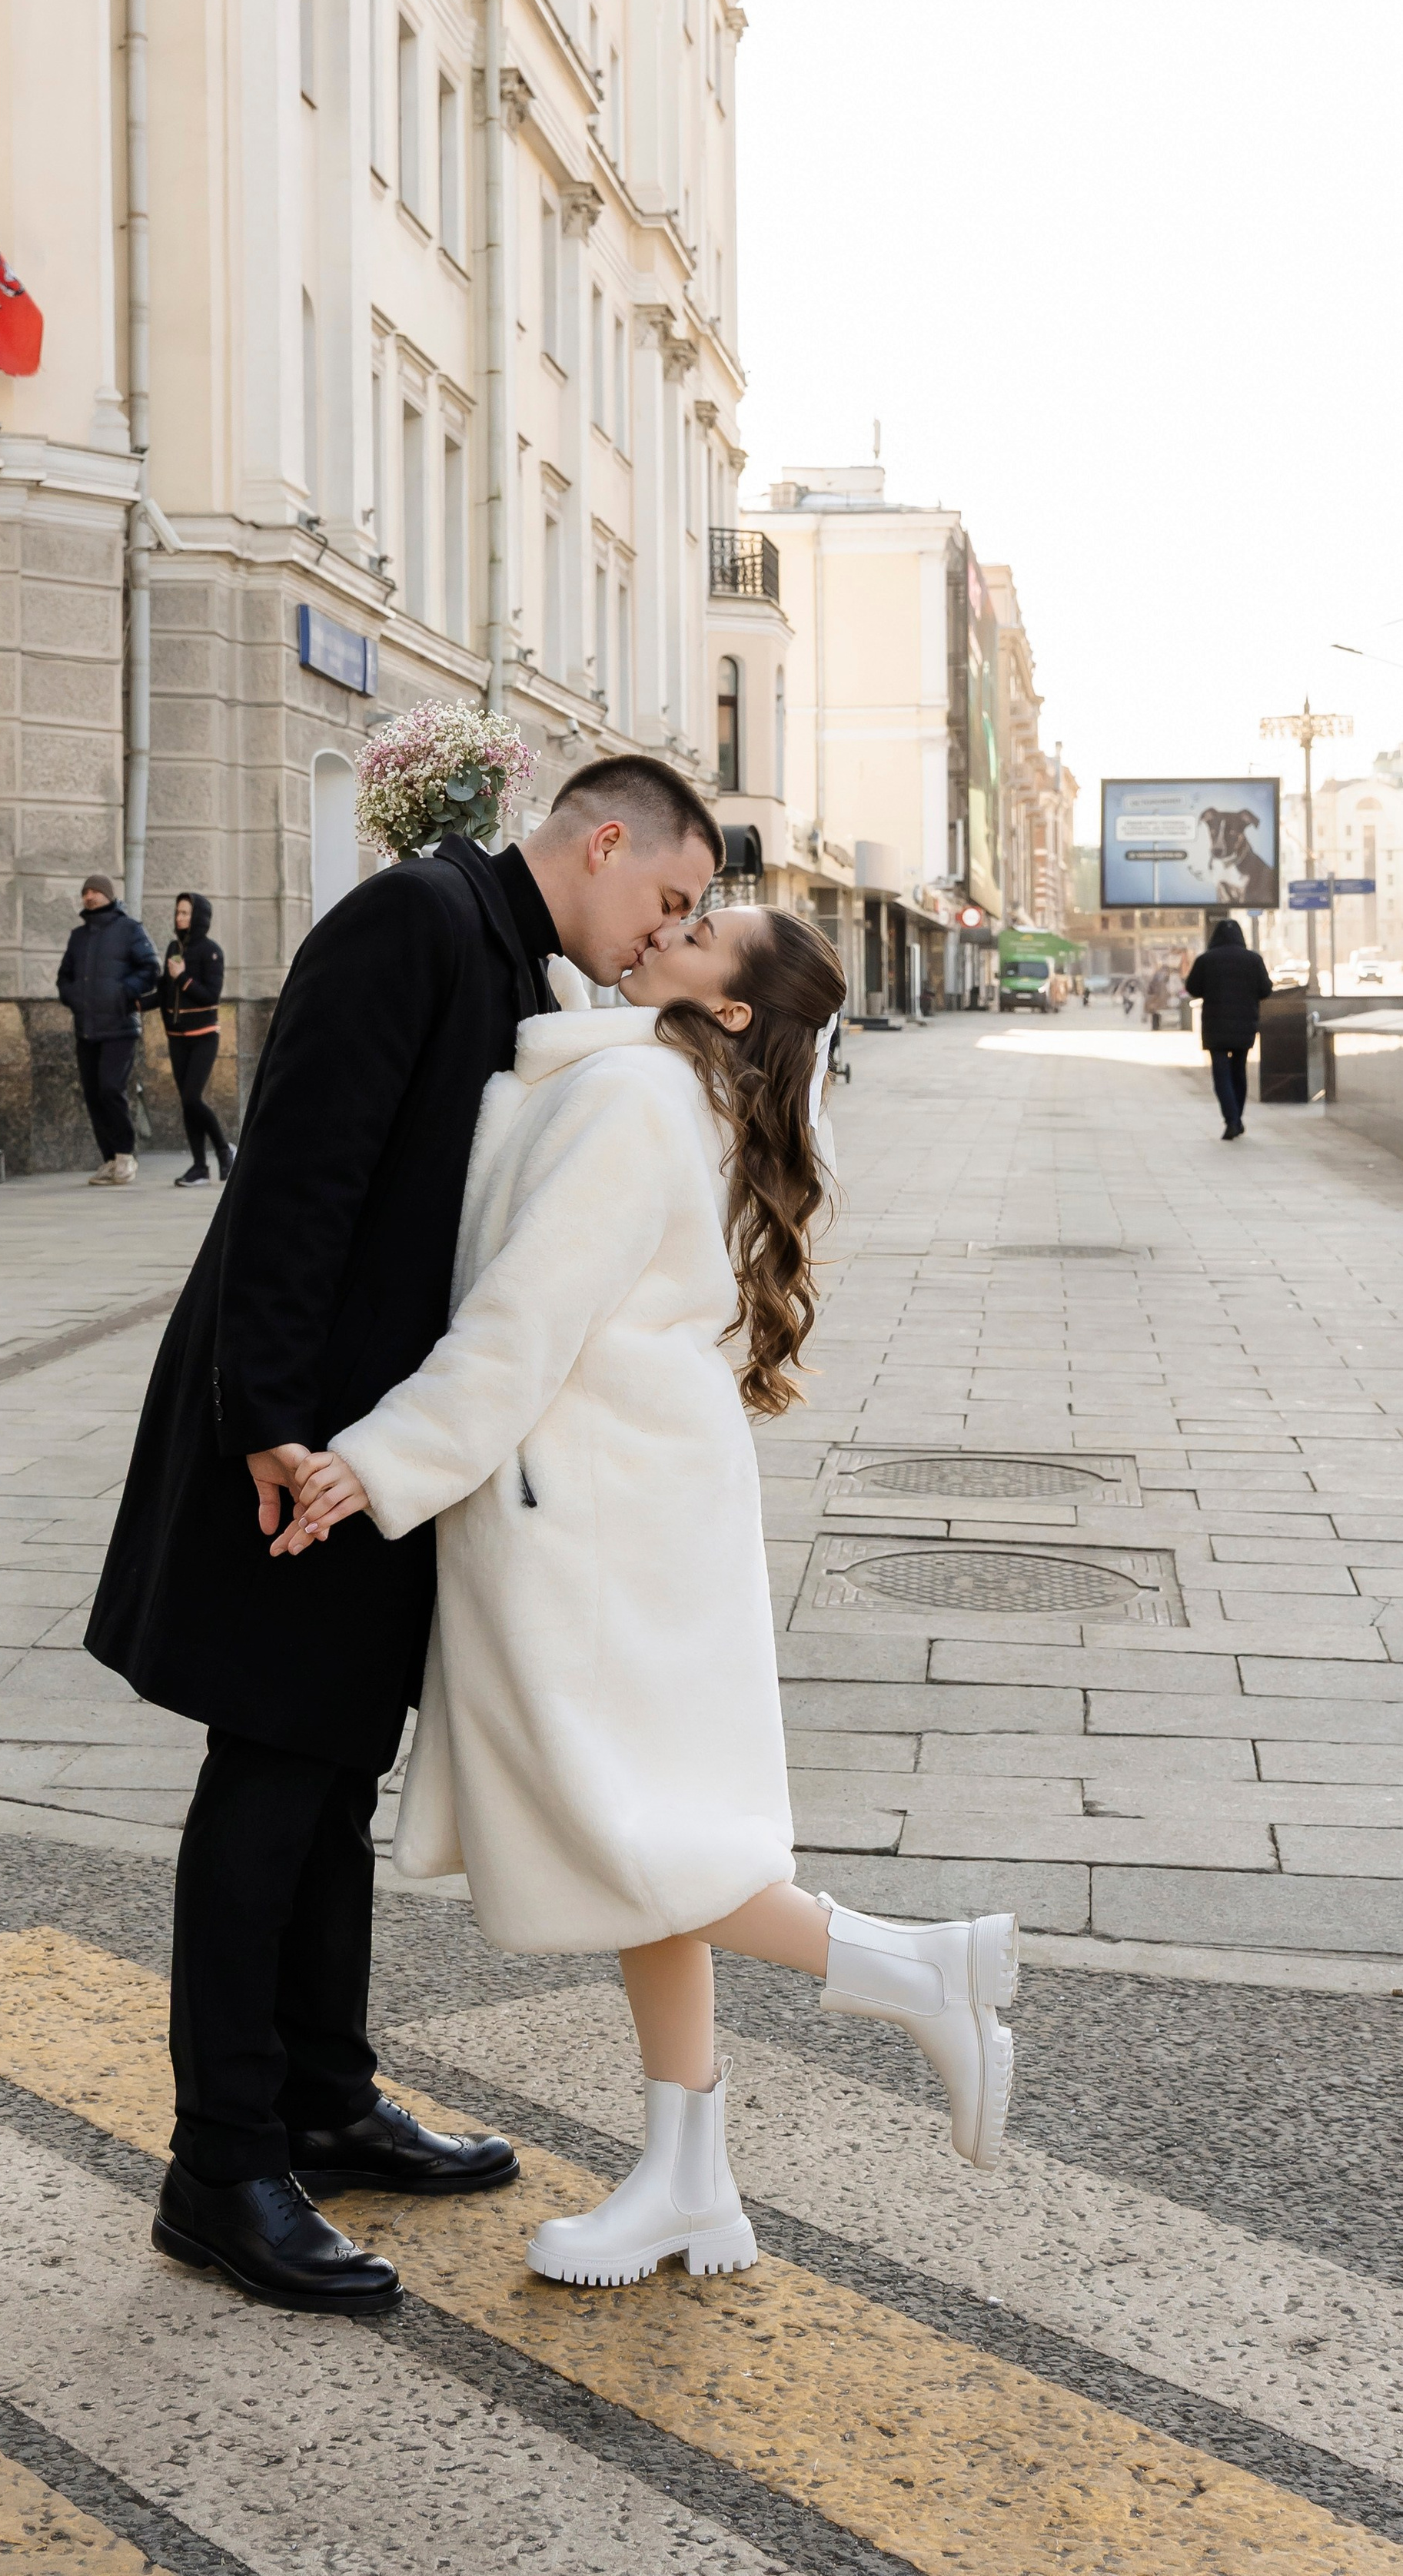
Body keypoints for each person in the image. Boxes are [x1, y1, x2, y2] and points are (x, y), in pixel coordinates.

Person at [275, 904, 1018, 2289]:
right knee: (646, 1837)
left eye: (707, 928)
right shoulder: (687, 1080)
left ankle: (918, 1971)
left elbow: (522, 1317)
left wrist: (377, 1464)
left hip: (588, 1516)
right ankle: (692, 2184)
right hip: (638, 1496)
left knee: (616, 1832)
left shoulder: (625, 1092)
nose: (676, 923)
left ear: (732, 1005)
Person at [87, 755, 724, 2316]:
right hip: (293, 1437)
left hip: (373, 1451)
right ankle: (219, 2168)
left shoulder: (504, 952)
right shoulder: (414, 922)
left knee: (330, 1778)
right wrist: (267, 1423)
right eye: (671, 898)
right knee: (269, 1777)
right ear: (600, 841)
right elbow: (298, 1181)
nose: (666, 934)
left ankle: (322, 2098)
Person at [58, 873, 160, 1186]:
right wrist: (76, 999)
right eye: (85, 892)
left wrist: (122, 993)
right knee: (93, 1094)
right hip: (87, 1027)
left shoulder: (130, 929)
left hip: (119, 1026)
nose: (89, 897)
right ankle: (109, 1159)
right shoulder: (79, 936)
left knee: (110, 1089)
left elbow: (150, 969)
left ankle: (126, 1155)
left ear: (108, 895)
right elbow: (64, 978)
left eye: (95, 892)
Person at [158, 893, 234, 1189]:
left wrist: (182, 978)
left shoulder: (211, 951)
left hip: (203, 1037)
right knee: (187, 1104)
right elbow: (164, 991)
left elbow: (210, 995)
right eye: (177, 912)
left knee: (192, 1098)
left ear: (198, 917)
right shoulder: (173, 949)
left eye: (186, 913)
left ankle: (223, 1150)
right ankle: (199, 1167)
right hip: (177, 1038)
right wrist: (132, 1003)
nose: (180, 918)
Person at [1186, 917, 1273, 1137]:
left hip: (1215, 1026)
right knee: (1239, 1071)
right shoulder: (1254, 960)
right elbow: (1265, 990)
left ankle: (1231, 1120)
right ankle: (1238, 1119)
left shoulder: (1206, 960)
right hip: (1245, 1025)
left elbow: (1193, 988)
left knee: (1221, 1074)